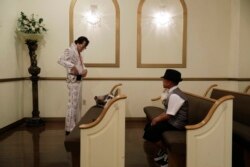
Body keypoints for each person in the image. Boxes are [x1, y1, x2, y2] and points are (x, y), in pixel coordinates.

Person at [143, 69, 188, 167]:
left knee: (150, 132)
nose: (162, 81)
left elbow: (169, 115)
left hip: (177, 124)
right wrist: (156, 119)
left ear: (169, 81)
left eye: (164, 79)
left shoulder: (175, 95)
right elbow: (167, 110)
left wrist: (156, 119)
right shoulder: (172, 92)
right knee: (148, 127)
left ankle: (167, 152)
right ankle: (164, 152)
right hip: (172, 121)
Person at [58, 36, 89, 135]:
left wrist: (85, 70)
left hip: (78, 80)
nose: (84, 48)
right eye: (84, 46)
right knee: (71, 105)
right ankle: (69, 128)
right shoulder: (70, 50)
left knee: (76, 105)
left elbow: (80, 65)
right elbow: (60, 60)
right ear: (79, 43)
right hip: (73, 81)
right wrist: (73, 67)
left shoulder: (79, 53)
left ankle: (74, 125)